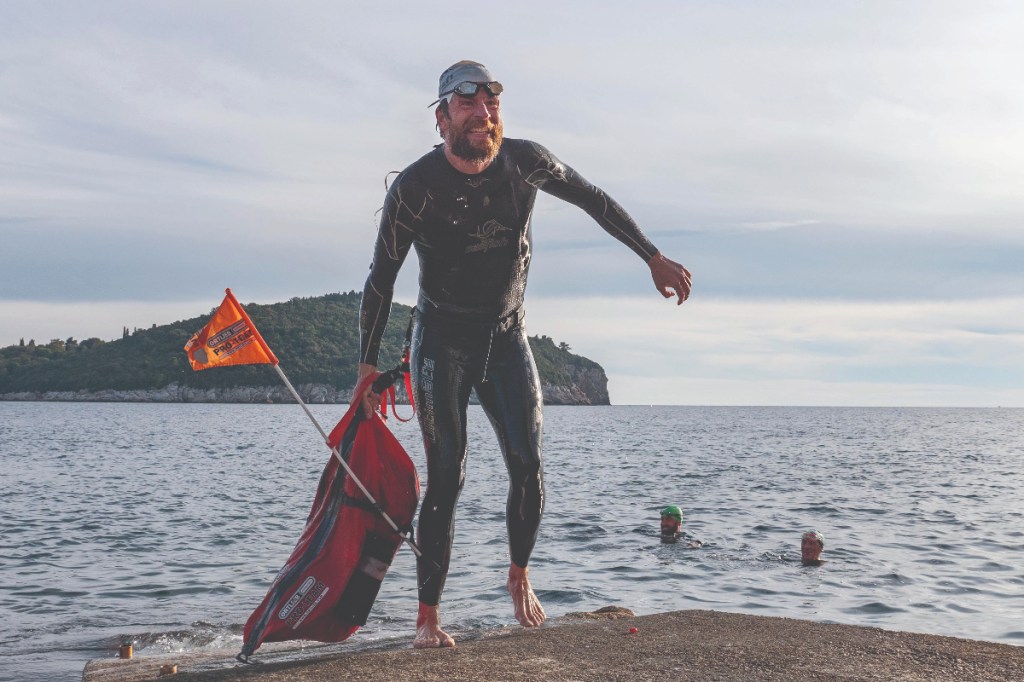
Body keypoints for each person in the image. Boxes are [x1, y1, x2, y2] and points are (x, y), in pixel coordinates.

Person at [356, 60, 692, 649]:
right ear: (442, 119)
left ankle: (518, 576)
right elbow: (381, 278)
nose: (483, 116)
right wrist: (365, 368)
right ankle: (427, 619)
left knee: (528, 464)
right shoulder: (415, 189)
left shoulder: (526, 162)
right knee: (447, 478)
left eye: (491, 106)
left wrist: (652, 256)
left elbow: (595, 200)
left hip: (507, 334)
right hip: (440, 340)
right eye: (469, 106)